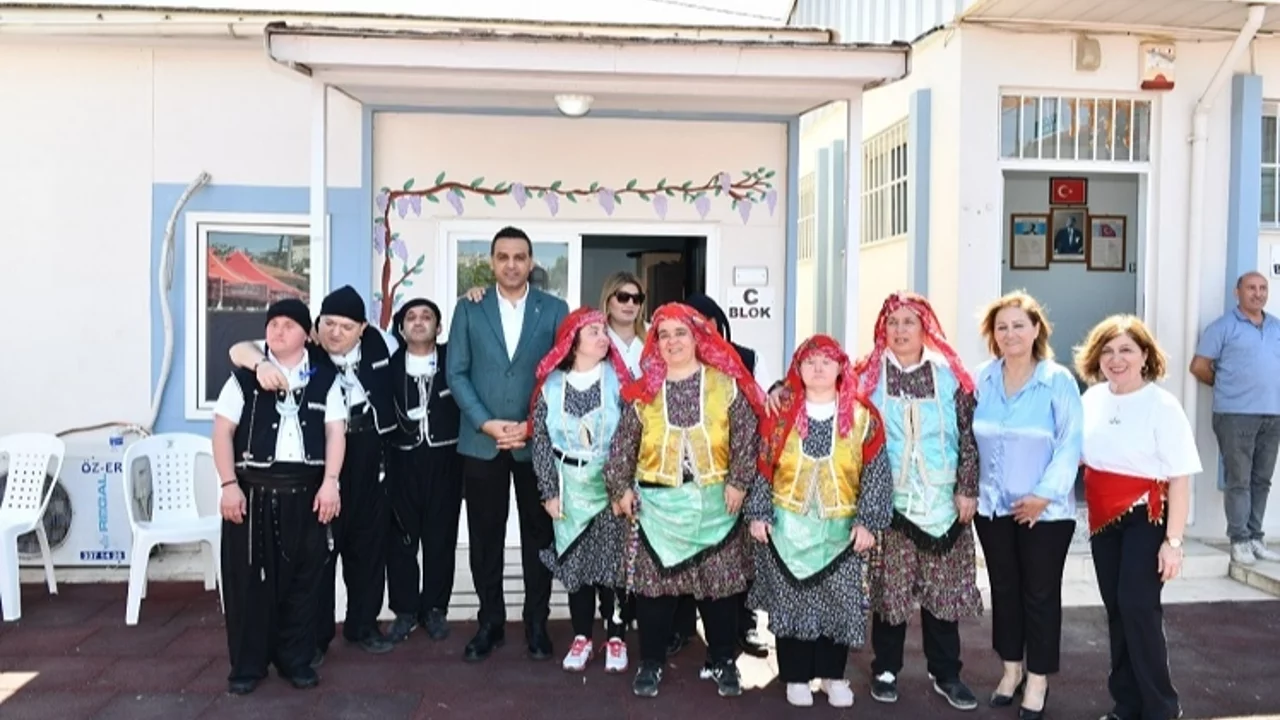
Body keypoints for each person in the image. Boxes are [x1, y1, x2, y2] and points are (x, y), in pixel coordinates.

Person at [604, 302, 769, 699]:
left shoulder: (725, 384)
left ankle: (723, 660)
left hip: (717, 505)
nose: (672, 341)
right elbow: (623, 444)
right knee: (655, 593)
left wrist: (739, 482)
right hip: (659, 510)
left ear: (698, 337)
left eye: (681, 333)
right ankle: (651, 662)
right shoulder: (644, 391)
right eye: (664, 334)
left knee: (719, 592)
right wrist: (620, 487)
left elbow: (747, 437)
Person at [230, 285, 401, 659]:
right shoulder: (303, 349)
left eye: (346, 326)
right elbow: (238, 349)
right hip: (323, 457)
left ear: (363, 328)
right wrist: (260, 365)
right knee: (319, 551)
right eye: (328, 324)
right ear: (316, 325)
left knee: (369, 546)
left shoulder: (383, 345)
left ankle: (363, 626)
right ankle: (315, 636)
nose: (335, 333)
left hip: (371, 455)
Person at [446, 226, 569, 663]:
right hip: (482, 443)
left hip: (536, 444)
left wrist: (532, 425)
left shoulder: (554, 309)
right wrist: (485, 423)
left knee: (540, 537)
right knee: (485, 538)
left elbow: (562, 375)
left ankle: (537, 623)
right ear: (492, 262)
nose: (512, 265)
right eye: (503, 257)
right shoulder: (469, 308)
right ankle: (490, 623)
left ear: (531, 262)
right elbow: (456, 372)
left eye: (520, 257)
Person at [750, 334, 893, 708]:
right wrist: (759, 513)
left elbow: (876, 471)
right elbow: (763, 465)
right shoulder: (780, 413)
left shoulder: (862, 416)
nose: (817, 368)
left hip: (841, 530)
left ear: (840, 368)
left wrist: (868, 521)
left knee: (838, 602)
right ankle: (796, 676)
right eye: (810, 362)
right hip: (787, 526)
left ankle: (833, 675)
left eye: (826, 362)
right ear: (797, 368)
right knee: (791, 601)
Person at [211, 299, 345, 695]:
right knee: (248, 583)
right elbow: (222, 433)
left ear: (307, 334)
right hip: (252, 491)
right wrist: (228, 484)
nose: (278, 331)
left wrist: (331, 482)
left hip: (306, 491)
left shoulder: (326, 379)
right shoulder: (243, 378)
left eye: (289, 325)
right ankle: (247, 666)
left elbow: (336, 432)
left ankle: (295, 660)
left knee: (304, 582)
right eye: (273, 324)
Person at [857, 292, 983, 711]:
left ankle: (946, 673)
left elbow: (969, 435)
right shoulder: (867, 377)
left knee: (942, 595)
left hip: (943, 502)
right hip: (890, 503)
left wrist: (967, 487)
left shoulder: (951, 377)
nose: (900, 330)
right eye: (892, 322)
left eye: (908, 322)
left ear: (924, 327)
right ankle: (886, 669)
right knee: (890, 594)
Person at [1076, 315, 1199, 720]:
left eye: (1127, 350)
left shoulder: (1163, 405)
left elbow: (1180, 478)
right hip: (1102, 522)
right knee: (1116, 610)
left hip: (1145, 519)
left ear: (1145, 355)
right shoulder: (1091, 400)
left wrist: (1173, 543)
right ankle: (1127, 705)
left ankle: (1162, 707)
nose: (1116, 359)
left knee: (1138, 608)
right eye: (1108, 351)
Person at [972, 290, 1083, 720]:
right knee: (1004, 590)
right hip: (993, 508)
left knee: (1039, 594)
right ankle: (1011, 670)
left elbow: (1071, 442)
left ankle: (1037, 679)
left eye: (1019, 325)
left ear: (1037, 329)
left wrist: (1043, 495)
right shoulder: (982, 378)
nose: (1010, 333)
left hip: (1045, 512)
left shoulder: (1057, 380)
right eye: (1002, 327)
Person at [530, 307, 632, 673]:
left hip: (610, 486)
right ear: (572, 343)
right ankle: (582, 636)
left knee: (612, 566)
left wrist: (622, 487)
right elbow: (541, 441)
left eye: (605, 331)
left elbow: (631, 435)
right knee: (577, 564)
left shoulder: (619, 380)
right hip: (569, 487)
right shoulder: (551, 386)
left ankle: (616, 636)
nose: (604, 338)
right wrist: (549, 491)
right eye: (594, 332)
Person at [676, 292, 773, 659]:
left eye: (706, 323)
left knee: (741, 556)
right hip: (690, 477)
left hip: (740, 471)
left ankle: (743, 627)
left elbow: (766, 406)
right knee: (686, 553)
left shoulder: (748, 358)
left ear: (719, 324)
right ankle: (682, 627)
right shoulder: (674, 361)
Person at [383, 298, 463, 643]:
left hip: (446, 460)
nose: (418, 322)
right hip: (402, 461)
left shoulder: (453, 361)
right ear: (401, 329)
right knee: (401, 538)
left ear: (438, 327)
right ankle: (404, 610)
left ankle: (434, 608)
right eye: (411, 318)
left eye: (426, 317)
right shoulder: (388, 365)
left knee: (440, 537)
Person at [1190, 271, 1280, 565]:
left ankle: (1255, 538)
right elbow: (1199, 366)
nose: (1258, 293)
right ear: (1237, 292)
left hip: (1272, 414)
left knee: (1262, 480)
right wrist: (1228, 385)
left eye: (1263, 288)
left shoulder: (1276, 326)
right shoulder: (1222, 327)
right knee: (1239, 479)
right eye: (1251, 288)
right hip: (1235, 415)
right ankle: (1239, 540)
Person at [601, 271, 647, 377]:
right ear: (608, 301)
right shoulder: (596, 337)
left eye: (636, 299)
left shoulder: (654, 334)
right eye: (623, 297)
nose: (630, 304)